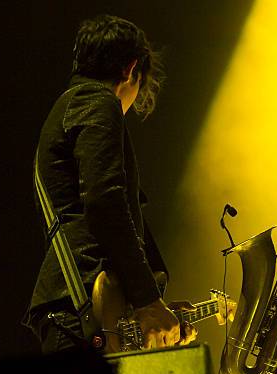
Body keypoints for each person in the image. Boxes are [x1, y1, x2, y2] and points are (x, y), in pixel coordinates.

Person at [23, 15, 196, 353]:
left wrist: (151, 309)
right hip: (79, 312)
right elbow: (105, 203)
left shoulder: (69, 106)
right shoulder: (97, 101)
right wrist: (147, 300)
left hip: (81, 308)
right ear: (132, 69)